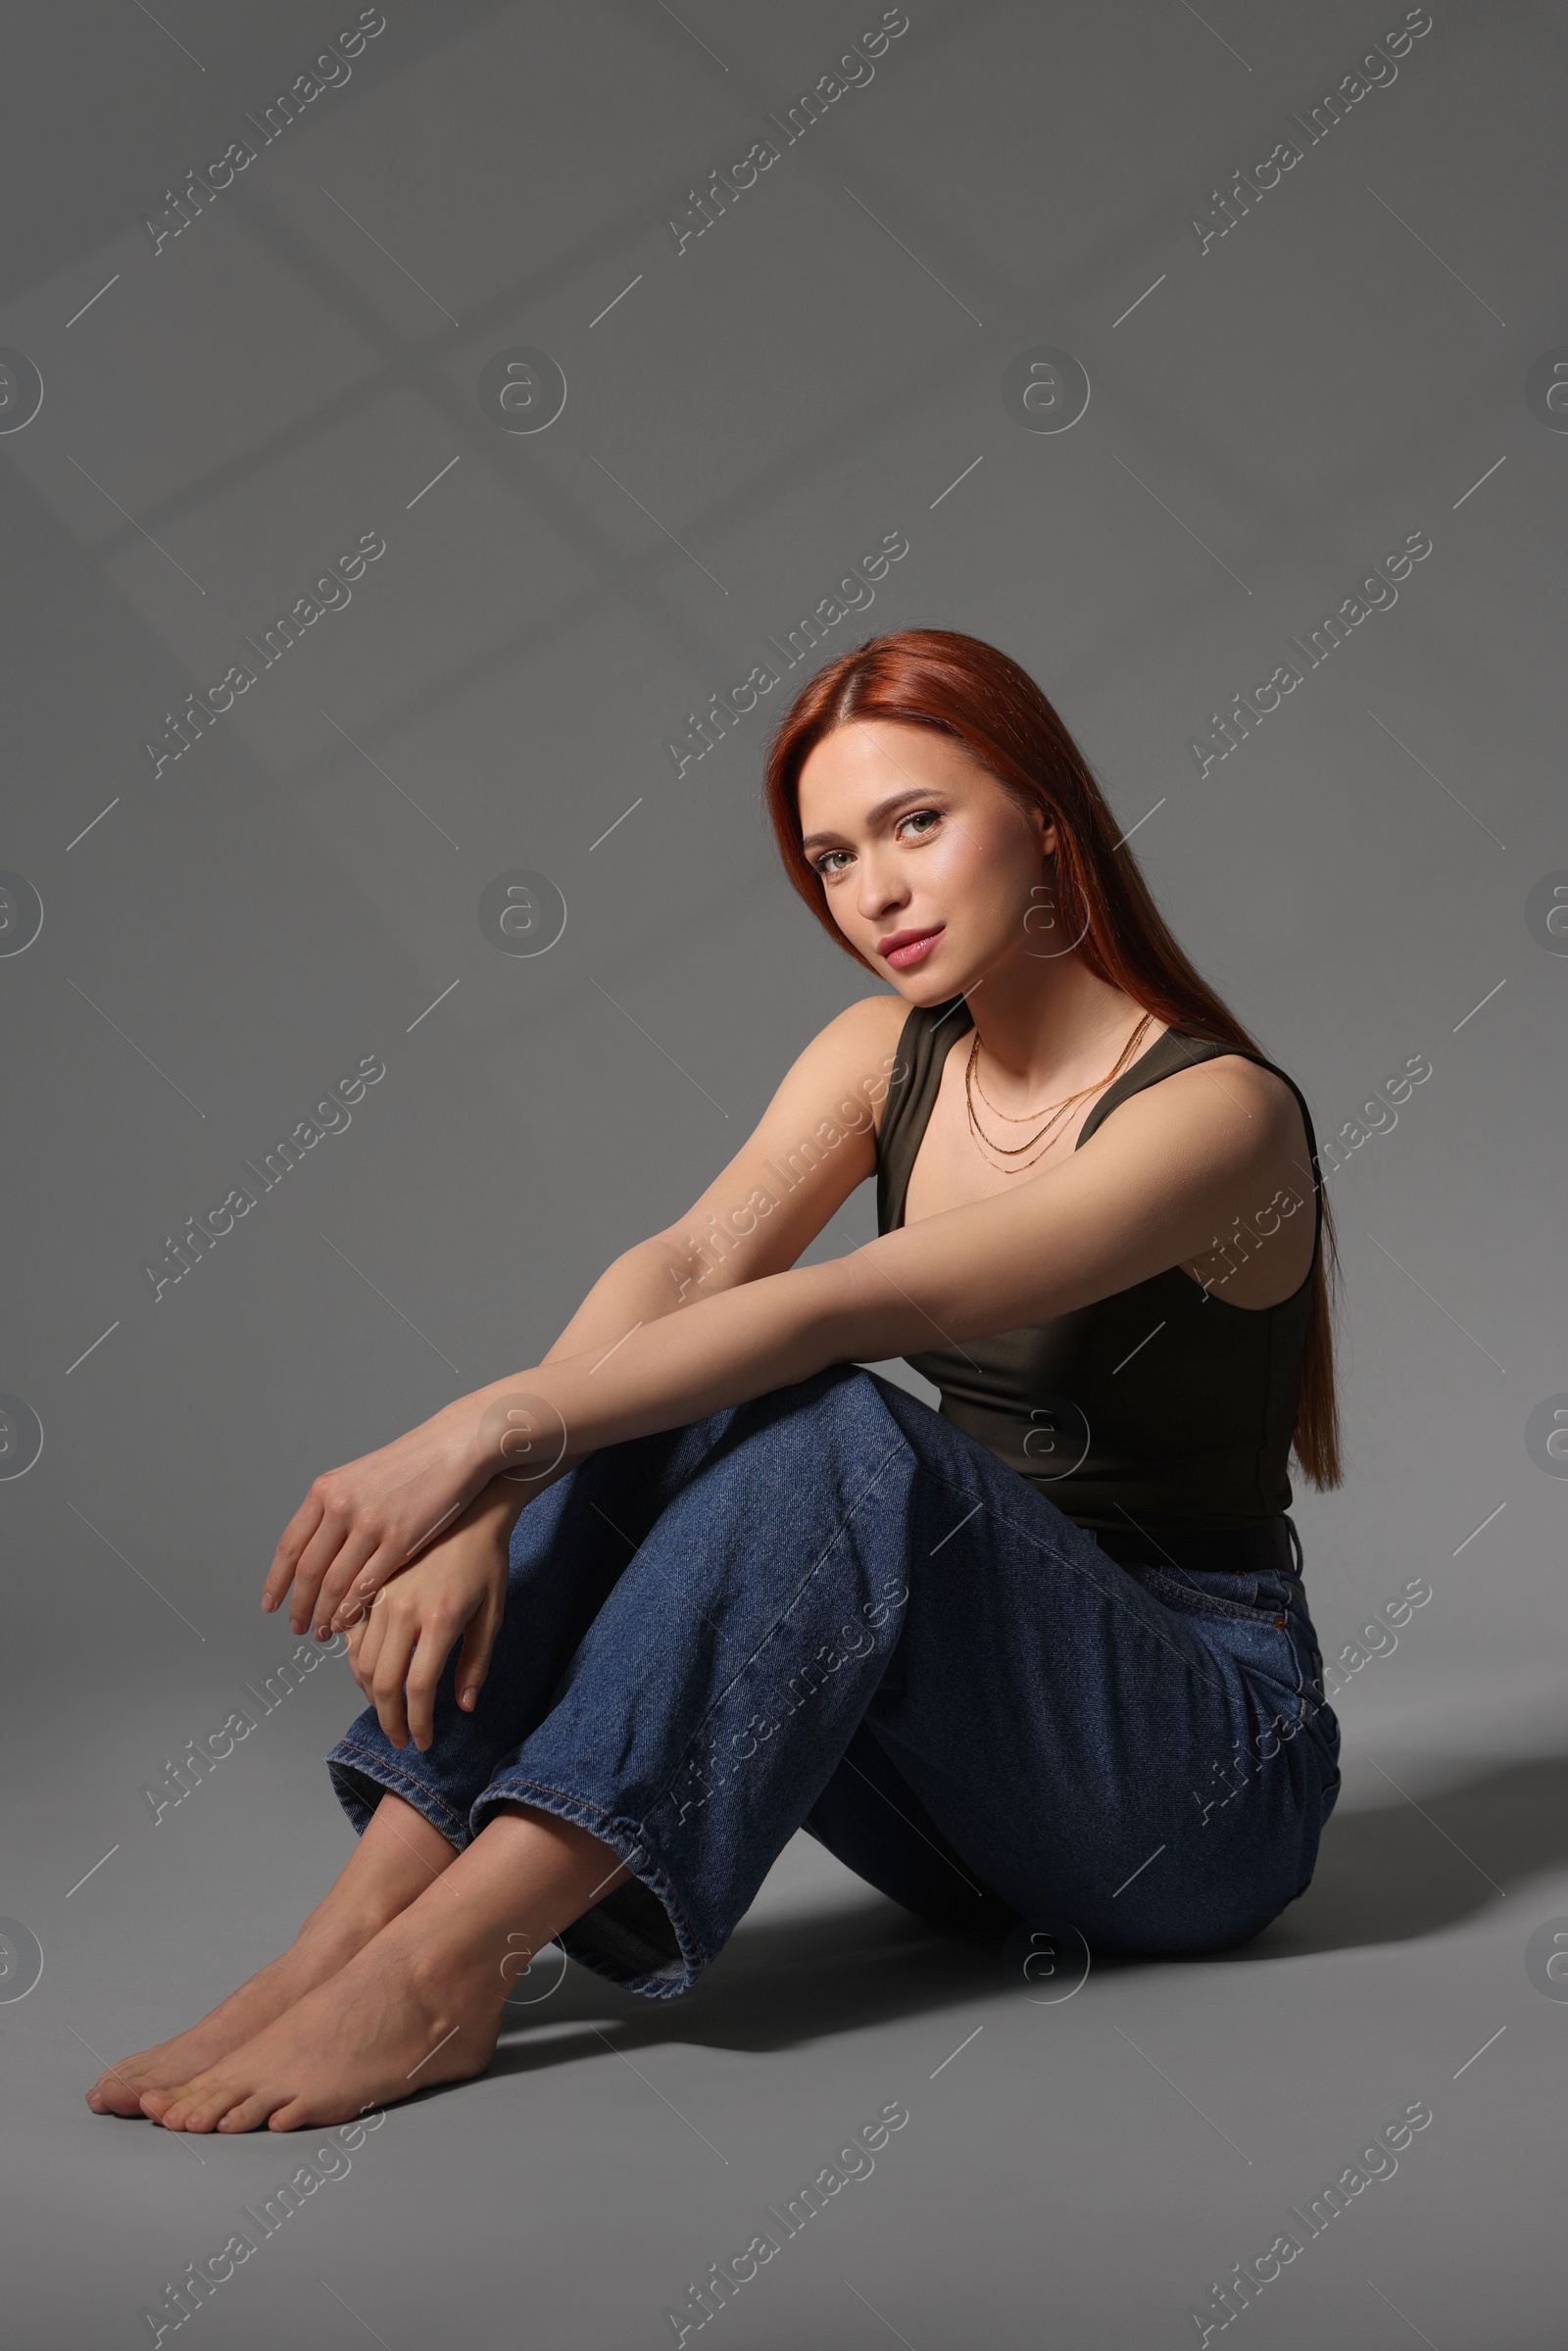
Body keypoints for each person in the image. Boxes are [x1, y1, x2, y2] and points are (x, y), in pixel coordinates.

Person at [88, 628, 1344, 2135]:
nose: (872, 891)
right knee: (676, 1379)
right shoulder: (888, 1055)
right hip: (972, 1805)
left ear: (1048, 821)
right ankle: (340, 1943)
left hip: (1197, 1778)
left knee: (823, 1430)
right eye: (830, 857)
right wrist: (499, 1493)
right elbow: (686, 1269)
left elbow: (861, 1304)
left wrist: (480, 1435)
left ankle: (445, 1970)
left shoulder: (1220, 1117)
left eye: (917, 824)